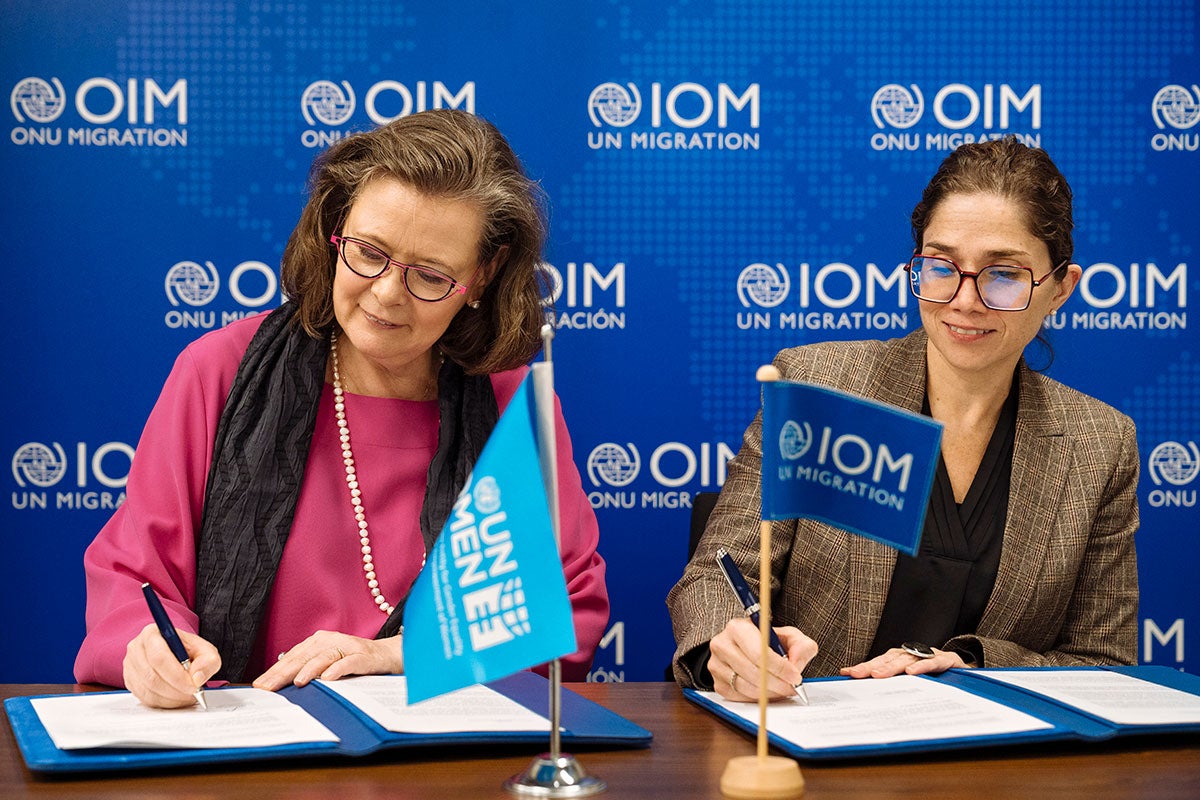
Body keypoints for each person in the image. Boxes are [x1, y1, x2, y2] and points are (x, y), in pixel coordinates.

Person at [75, 109, 609, 708]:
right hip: (248, 751)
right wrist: (150, 648)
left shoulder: (509, 401)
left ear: (481, 276)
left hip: (443, 762)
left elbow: (562, 610)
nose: (385, 293)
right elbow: (135, 577)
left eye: (430, 276)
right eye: (368, 252)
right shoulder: (217, 370)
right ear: (337, 228)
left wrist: (398, 657)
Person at [667, 137, 1139, 702]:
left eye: (1003, 275)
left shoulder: (1100, 444)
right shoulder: (820, 385)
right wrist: (730, 646)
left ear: (1061, 288)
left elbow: (1103, 665)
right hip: (813, 743)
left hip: (993, 767)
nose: (965, 300)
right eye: (940, 266)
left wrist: (969, 661)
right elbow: (715, 577)